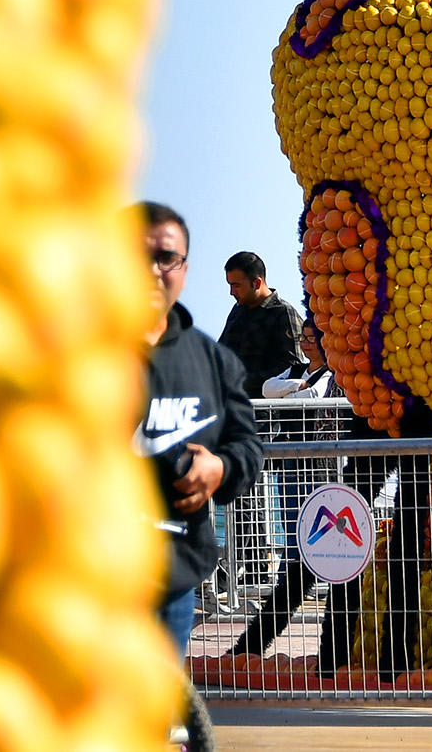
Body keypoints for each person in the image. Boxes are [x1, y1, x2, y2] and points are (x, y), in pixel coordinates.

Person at [138, 201, 263, 658]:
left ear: (184, 268)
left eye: (166, 257)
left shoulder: (212, 361)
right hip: (90, 583)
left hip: (176, 574)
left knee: (155, 713)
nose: (152, 270)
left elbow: (247, 445)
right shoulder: (72, 351)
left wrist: (220, 468)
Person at [218, 251, 304, 389]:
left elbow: (293, 368)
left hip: (264, 407)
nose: (232, 292)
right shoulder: (237, 311)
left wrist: (244, 380)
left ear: (257, 283)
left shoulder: (283, 313)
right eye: (230, 285)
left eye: (236, 286)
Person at [263, 319, 333, 398]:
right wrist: (298, 384)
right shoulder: (296, 369)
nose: (304, 343)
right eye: (303, 337)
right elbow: (267, 388)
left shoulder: (330, 373)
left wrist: (282, 397)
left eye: (312, 338)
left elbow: (313, 395)